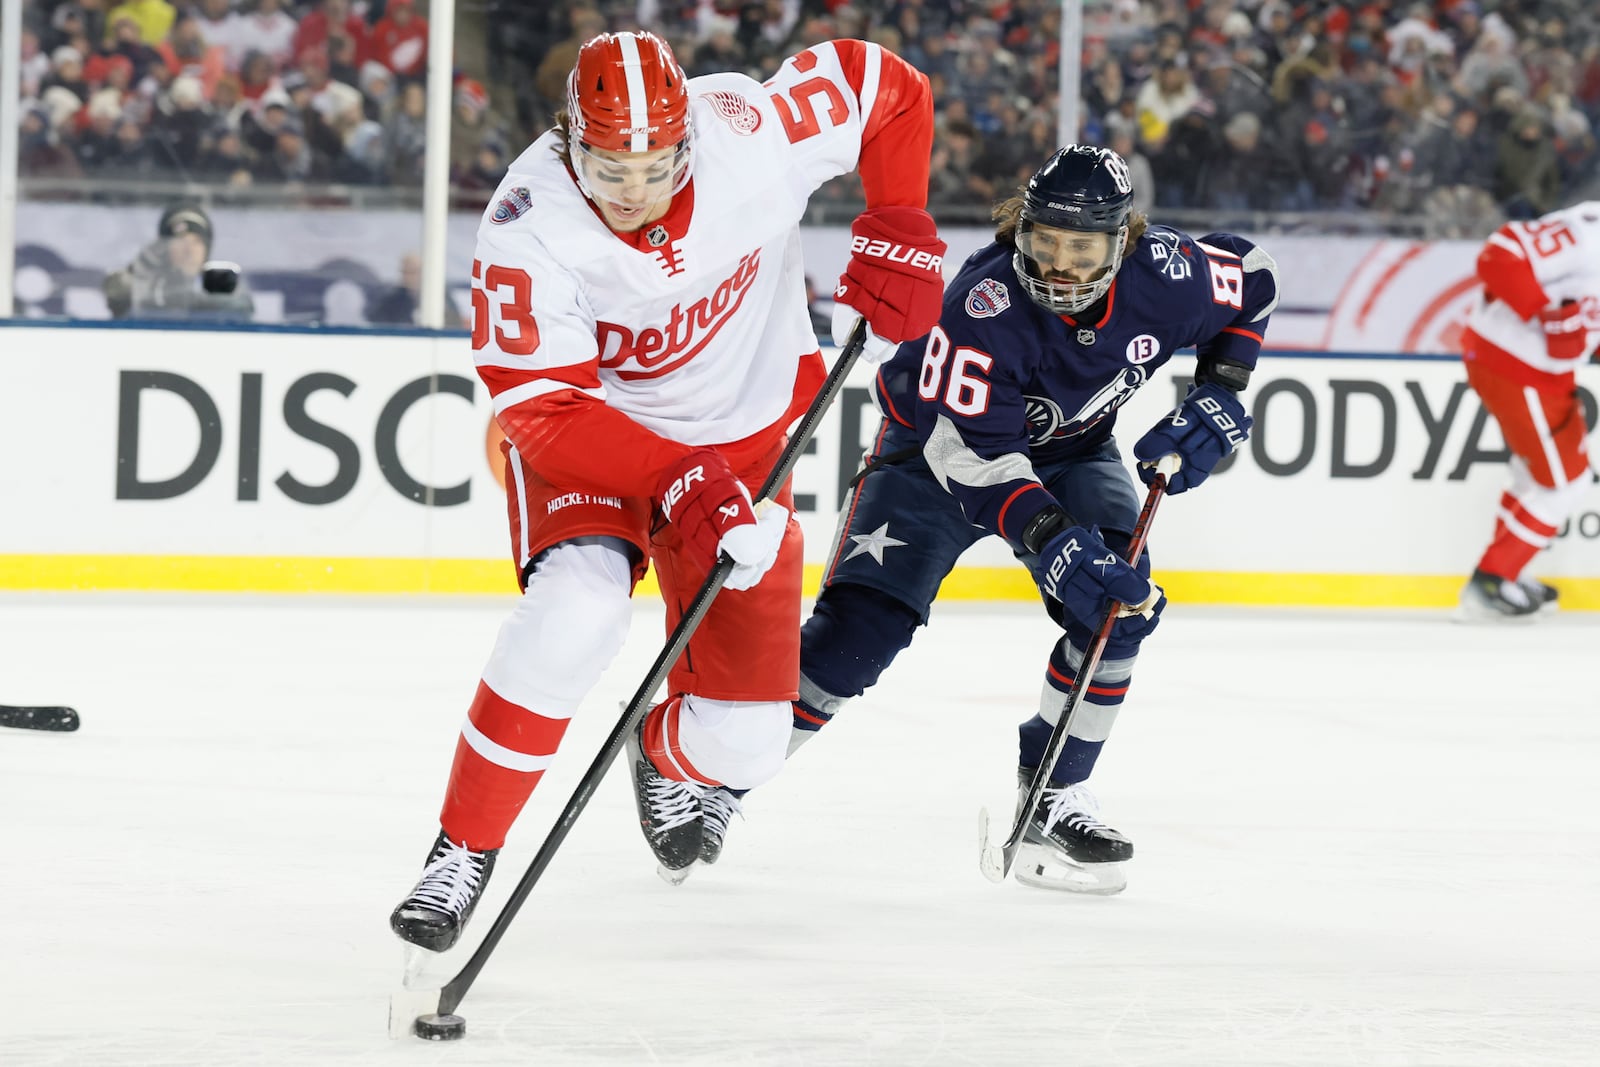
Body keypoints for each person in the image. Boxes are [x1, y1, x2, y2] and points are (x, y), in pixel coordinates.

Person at [389, 30, 945, 951]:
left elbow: (889, 86)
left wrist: (901, 225)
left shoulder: (749, 130)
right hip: (597, 447)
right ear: (571, 143)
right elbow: (543, 411)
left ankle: (661, 747)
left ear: (689, 137)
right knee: (578, 613)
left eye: (656, 165)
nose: (635, 192)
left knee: (748, 746)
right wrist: (675, 474)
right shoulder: (528, 224)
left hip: (747, 445)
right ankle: (463, 848)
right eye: (610, 170)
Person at [784, 144, 1279, 894]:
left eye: (1081, 248)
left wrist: (1224, 387)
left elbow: (1257, 275)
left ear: (1124, 240)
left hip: (1074, 454)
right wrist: (1049, 537)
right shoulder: (980, 307)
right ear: (1021, 228)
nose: (1058, 267)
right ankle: (713, 768)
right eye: (1043, 242)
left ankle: (1054, 791)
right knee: (858, 637)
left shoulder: (1169, 275)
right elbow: (972, 457)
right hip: (932, 455)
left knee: (1116, 604)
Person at [1456, 203, 1600, 619]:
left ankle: (1507, 576)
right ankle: (1491, 581)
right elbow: (1500, 255)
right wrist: (1546, 315)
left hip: (1537, 372)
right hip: (1519, 368)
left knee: (1532, 474)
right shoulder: (1590, 235)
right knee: (1566, 483)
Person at [102, 203, 254, 321]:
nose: (189, 250)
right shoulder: (147, 282)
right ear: (165, 248)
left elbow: (242, 308)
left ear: (206, 250)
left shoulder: (223, 284)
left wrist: (190, 301)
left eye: (197, 242)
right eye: (180, 240)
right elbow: (117, 293)